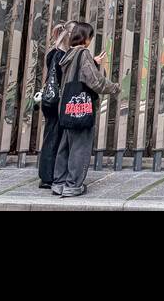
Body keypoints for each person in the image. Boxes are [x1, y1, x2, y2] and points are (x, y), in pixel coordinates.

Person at [51, 20, 118, 198]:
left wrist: (93, 62)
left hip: (66, 106)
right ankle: (73, 185)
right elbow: (95, 81)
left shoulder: (68, 55)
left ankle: (59, 183)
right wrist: (114, 87)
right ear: (87, 38)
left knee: (65, 146)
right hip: (80, 107)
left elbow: (77, 75)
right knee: (80, 146)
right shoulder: (83, 53)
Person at [37, 22, 70, 189]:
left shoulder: (52, 53)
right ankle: (48, 176)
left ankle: (48, 174)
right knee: (54, 137)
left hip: (48, 100)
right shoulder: (62, 56)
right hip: (56, 101)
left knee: (50, 135)